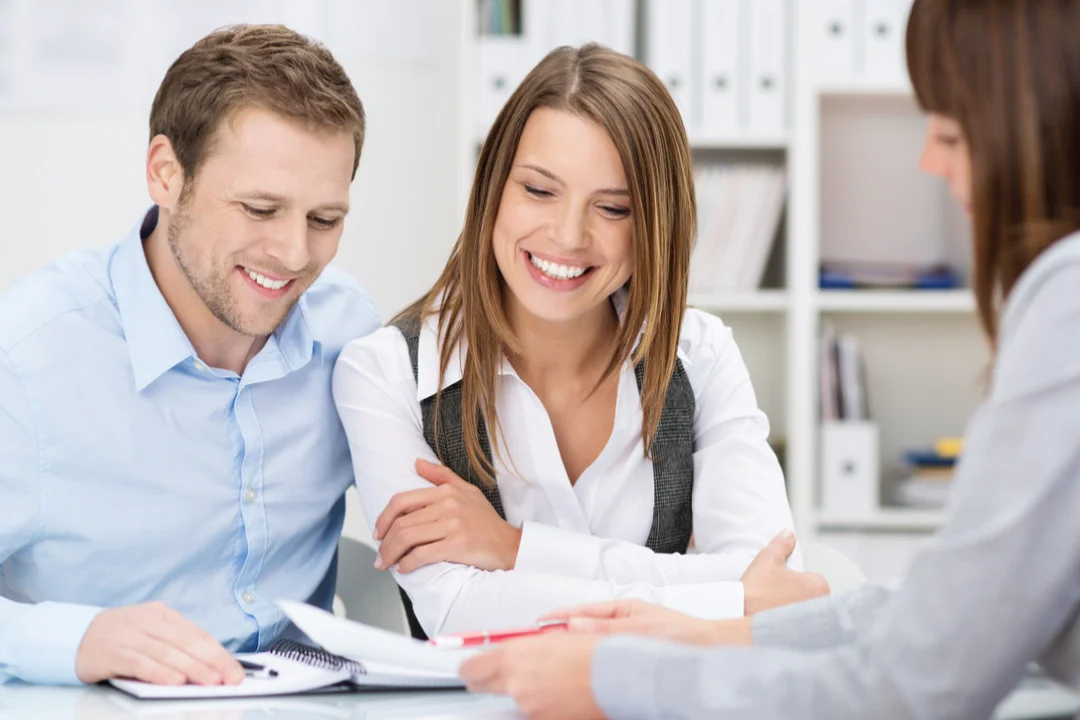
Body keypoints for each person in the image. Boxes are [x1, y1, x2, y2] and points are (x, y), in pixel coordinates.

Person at [458, 0, 1080, 717]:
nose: (929, 159)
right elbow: (951, 615)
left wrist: (621, 679)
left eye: (949, 126)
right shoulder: (391, 366)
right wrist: (728, 632)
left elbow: (917, 682)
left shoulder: (1066, 303)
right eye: (538, 188)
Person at [332, 44, 825, 640]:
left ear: (654, 226)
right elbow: (456, 610)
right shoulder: (384, 372)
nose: (568, 235)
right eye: (539, 191)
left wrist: (517, 550)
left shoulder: (699, 355)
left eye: (613, 208)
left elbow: (779, 582)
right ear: (494, 191)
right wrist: (725, 600)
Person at [0, 25, 379, 687]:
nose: (294, 254)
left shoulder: (349, 331)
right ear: (166, 174)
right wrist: (77, 638)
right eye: (260, 209)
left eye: (324, 220)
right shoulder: (28, 362)